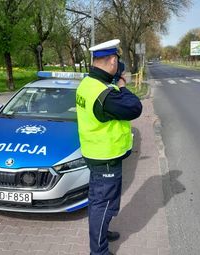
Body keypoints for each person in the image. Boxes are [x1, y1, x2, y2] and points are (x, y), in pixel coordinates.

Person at [76, 39, 143, 255]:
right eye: (117, 61)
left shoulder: (88, 84)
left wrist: (116, 83)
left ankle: (102, 233)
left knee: (101, 202)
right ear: (112, 60)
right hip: (105, 158)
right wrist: (123, 85)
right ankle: (99, 251)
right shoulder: (105, 94)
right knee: (102, 205)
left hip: (96, 154)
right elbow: (134, 108)